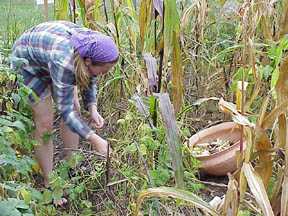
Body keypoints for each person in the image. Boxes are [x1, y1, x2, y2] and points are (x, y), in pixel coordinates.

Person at [11, 21, 119, 194]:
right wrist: (94, 139)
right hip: (28, 62)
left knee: (76, 109)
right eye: (104, 71)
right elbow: (65, 111)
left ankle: (71, 167)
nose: (103, 75)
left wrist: (92, 107)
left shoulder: (92, 46)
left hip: (49, 53)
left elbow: (92, 75)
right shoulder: (65, 60)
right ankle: (50, 182)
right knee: (45, 123)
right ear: (88, 61)